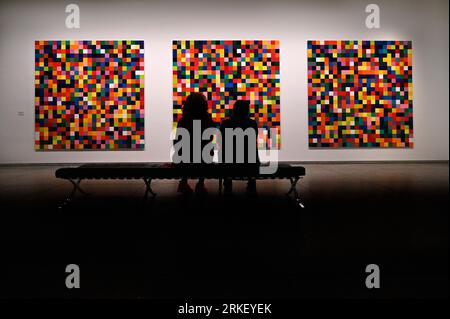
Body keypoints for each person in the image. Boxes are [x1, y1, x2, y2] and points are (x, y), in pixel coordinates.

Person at [173, 92, 216, 195]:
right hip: (203, 160)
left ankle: (184, 182)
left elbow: (178, 142)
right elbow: (208, 143)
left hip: (184, 160)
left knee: (185, 154)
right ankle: (200, 184)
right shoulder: (208, 121)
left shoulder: (183, 121)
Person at [219, 100, 260, 195]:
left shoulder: (226, 123)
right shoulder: (252, 123)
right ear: (246, 111)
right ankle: (251, 184)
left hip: (229, 164)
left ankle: (227, 184)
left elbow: (221, 142)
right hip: (249, 164)